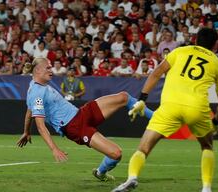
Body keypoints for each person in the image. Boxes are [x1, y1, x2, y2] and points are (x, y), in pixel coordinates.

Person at [108, 28, 218, 192]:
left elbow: (156, 73)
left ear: (195, 40)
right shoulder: (217, 64)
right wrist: (216, 121)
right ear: (215, 44)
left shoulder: (179, 51)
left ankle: (131, 178)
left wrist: (142, 99)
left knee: (143, 148)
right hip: (197, 107)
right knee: (207, 146)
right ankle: (206, 191)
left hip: (169, 106)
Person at [16, 57, 153, 182]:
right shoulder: (37, 93)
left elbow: (29, 111)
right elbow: (40, 125)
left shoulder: (37, 86)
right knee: (116, 153)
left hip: (81, 113)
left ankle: (156, 118)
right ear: (38, 70)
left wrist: (26, 132)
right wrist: (54, 149)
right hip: (74, 127)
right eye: (48, 68)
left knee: (123, 97)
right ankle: (100, 172)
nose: (51, 71)